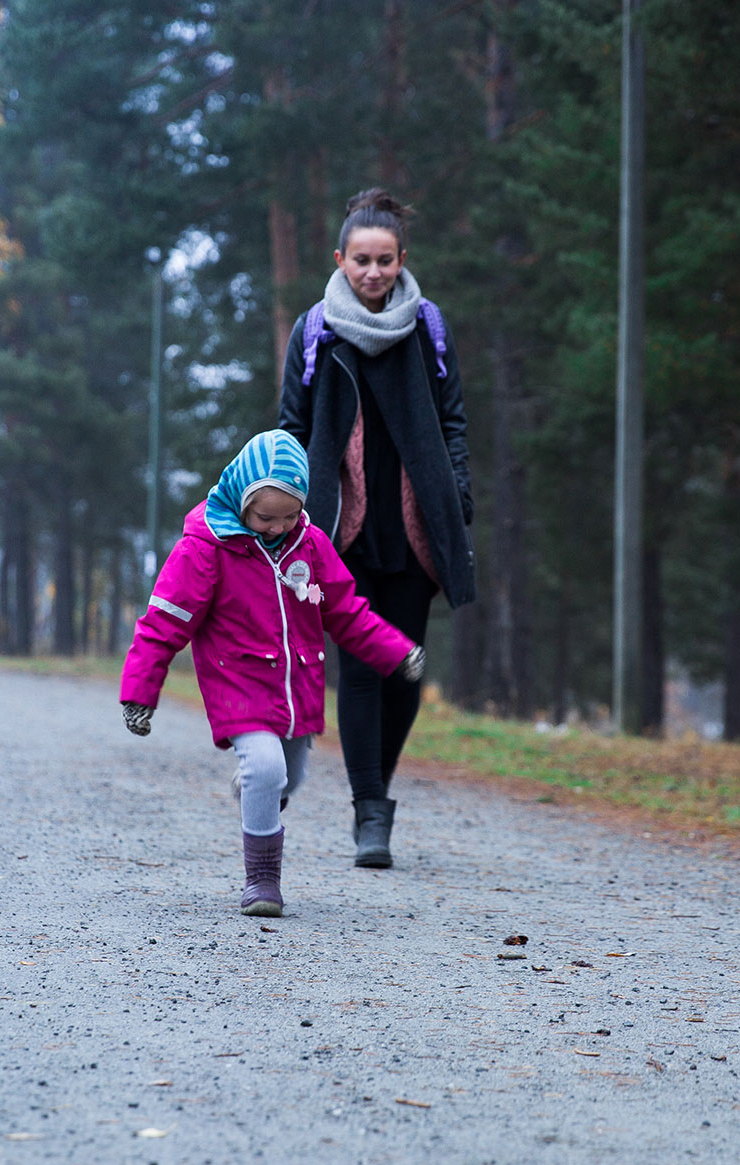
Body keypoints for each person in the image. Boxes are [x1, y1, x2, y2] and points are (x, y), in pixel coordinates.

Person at [119, 431, 424, 917]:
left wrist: (397, 652)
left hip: (297, 689)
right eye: (266, 517)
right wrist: (140, 693)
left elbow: (345, 612)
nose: (278, 527)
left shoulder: (311, 545)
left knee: (288, 777)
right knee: (266, 767)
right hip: (238, 687)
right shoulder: (206, 549)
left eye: (290, 515)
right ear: (241, 498)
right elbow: (164, 622)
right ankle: (262, 881)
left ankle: (257, 792)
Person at [278, 188, 475, 870]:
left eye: (384, 260)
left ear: (401, 260)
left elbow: (452, 421)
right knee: (360, 669)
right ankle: (370, 812)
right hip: (342, 532)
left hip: (415, 533)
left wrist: (461, 493)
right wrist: (290, 508)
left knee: (405, 671)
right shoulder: (315, 331)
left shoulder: (428, 329)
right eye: (360, 260)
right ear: (340, 259)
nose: (372, 272)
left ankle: (377, 794)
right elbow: (292, 429)